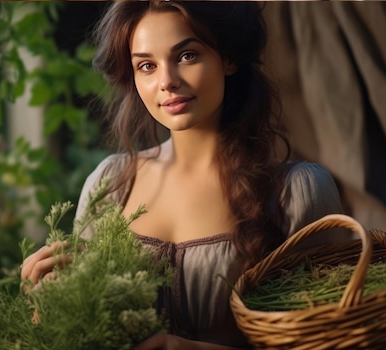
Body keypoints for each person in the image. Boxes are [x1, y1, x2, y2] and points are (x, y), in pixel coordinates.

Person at [21, 1, 345, 349]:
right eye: (146, 65)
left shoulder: (297, 193)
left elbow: (332, 340)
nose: (167, 82)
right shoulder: (111, 184)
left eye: (187, 56)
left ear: (229, 57)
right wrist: (47, 300)